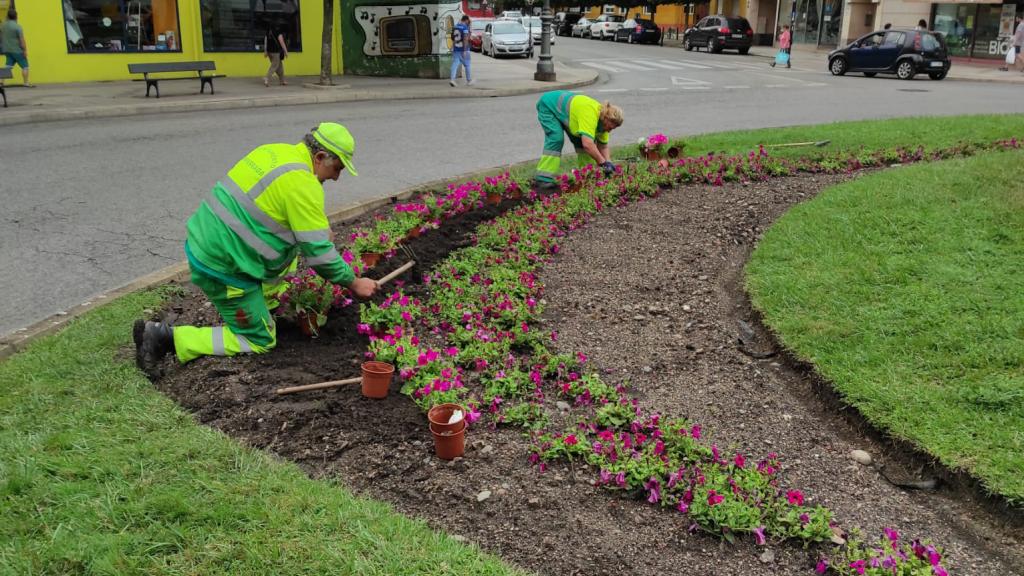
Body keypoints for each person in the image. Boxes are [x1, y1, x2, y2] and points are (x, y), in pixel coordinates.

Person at [134, 123, 379, 378]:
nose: (336, 177)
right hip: (224, 266)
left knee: (287, 249)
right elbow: (320, 256)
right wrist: (354, 282)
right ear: (319, 158)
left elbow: (273, 208)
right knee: (259, 340)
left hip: (207, 240)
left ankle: (267, 305)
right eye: (337, 168)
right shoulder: (303, 184)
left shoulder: (274, 152)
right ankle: (167, 338)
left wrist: (317, 229)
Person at [533, 90, 624, 190]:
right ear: (607, 118)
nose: (610, 131)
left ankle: (587, 176)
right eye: (610, 128)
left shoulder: (603, 123)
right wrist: (603, 163)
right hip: (549, 105)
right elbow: (588, 145)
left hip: (567, 112)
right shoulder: (590, 115)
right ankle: (543, 178)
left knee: (581, 143)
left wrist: (609, 163)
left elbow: (603, 145)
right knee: (556, 138)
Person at [1, 9, 31, 87]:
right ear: (16, 17)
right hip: (17, 50)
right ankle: (26, 83)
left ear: (7, 16)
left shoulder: (3, 26)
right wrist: (24, 50)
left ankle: (1, 82)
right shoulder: (17, 27)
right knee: (25, 66)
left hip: (7, 50)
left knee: (8, 66)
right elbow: (22, 40)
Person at [450, 14, 474, 87]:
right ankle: (469, 80)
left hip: (456, 49)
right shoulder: (465, 27)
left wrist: (452, 46)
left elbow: (453, 38)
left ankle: (452, 80)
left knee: (454, 64)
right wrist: (464, 50)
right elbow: (465, 39)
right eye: (468, 21)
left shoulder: (455, 26)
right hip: (464, 50)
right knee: (467, 65)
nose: (468, 22)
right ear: (466, 20)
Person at [263, 22, 288, 87]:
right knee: (274, 66)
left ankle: (282, 81)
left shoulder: (268, 32)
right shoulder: (278, 32)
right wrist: (286, 51)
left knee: (280, 66)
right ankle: (267, 78)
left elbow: (265, 41)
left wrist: (265, 51)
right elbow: (282, 42)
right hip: (276, 52)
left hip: (269, 52)